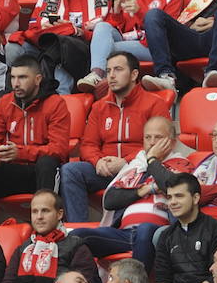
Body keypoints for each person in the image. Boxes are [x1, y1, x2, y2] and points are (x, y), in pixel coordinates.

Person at [61, 51, 172, 222]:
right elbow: (88, 145)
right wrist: (98, 161)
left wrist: (126, 161)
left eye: (118, 69)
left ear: (134, 74)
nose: (111, 76)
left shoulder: (154, 103)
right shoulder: (99, 107)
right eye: (108, 71)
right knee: (70, 171)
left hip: (139, 169)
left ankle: (116, 229)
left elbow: (161, 143)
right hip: (106, 169)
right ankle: (77, 230)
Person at [68, 115, 190, 270]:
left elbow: (173, 186)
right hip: (125, 234)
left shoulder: (181, 164)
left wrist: (152, 160)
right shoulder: (135, 167)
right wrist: (146, 190)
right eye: (148, 137)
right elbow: (110, 200)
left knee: (144, 229)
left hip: (159, 233)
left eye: (158, 137)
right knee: (76, 237)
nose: (152, 142)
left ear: (172, 142)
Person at [77, 0, 183, 95]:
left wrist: (140, 12)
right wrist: (117, 11)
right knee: (102, 27)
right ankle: (97, 75)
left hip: (150, 47)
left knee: (104, 49)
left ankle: (100, 77)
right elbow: (118, 25)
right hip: (126, 40)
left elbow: (165, 33)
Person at [0, 55, 69, 201]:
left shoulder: (55, 103)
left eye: (22, 78)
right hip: (12, 170)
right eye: (13, 78)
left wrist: (21, 153)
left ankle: (49, 217)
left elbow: (59, 150)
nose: (16, 83)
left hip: (39, 172)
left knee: (47, 163)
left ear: (37, 79)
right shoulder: (5, 102)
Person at [8, 0, 113, 93]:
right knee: (12, 48)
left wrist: (78, 32)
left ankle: (60, 99)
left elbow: (105, 37)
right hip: (46, 47)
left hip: (80, 53)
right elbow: (33, 29)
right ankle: (17, 96)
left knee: (62, 47)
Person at [153, 173, 217, 283]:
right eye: (169, 197)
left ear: (196, 198)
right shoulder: (166, 235)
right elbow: (162, 279)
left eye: (179, 196)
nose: (172, 202)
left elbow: (216, 277)